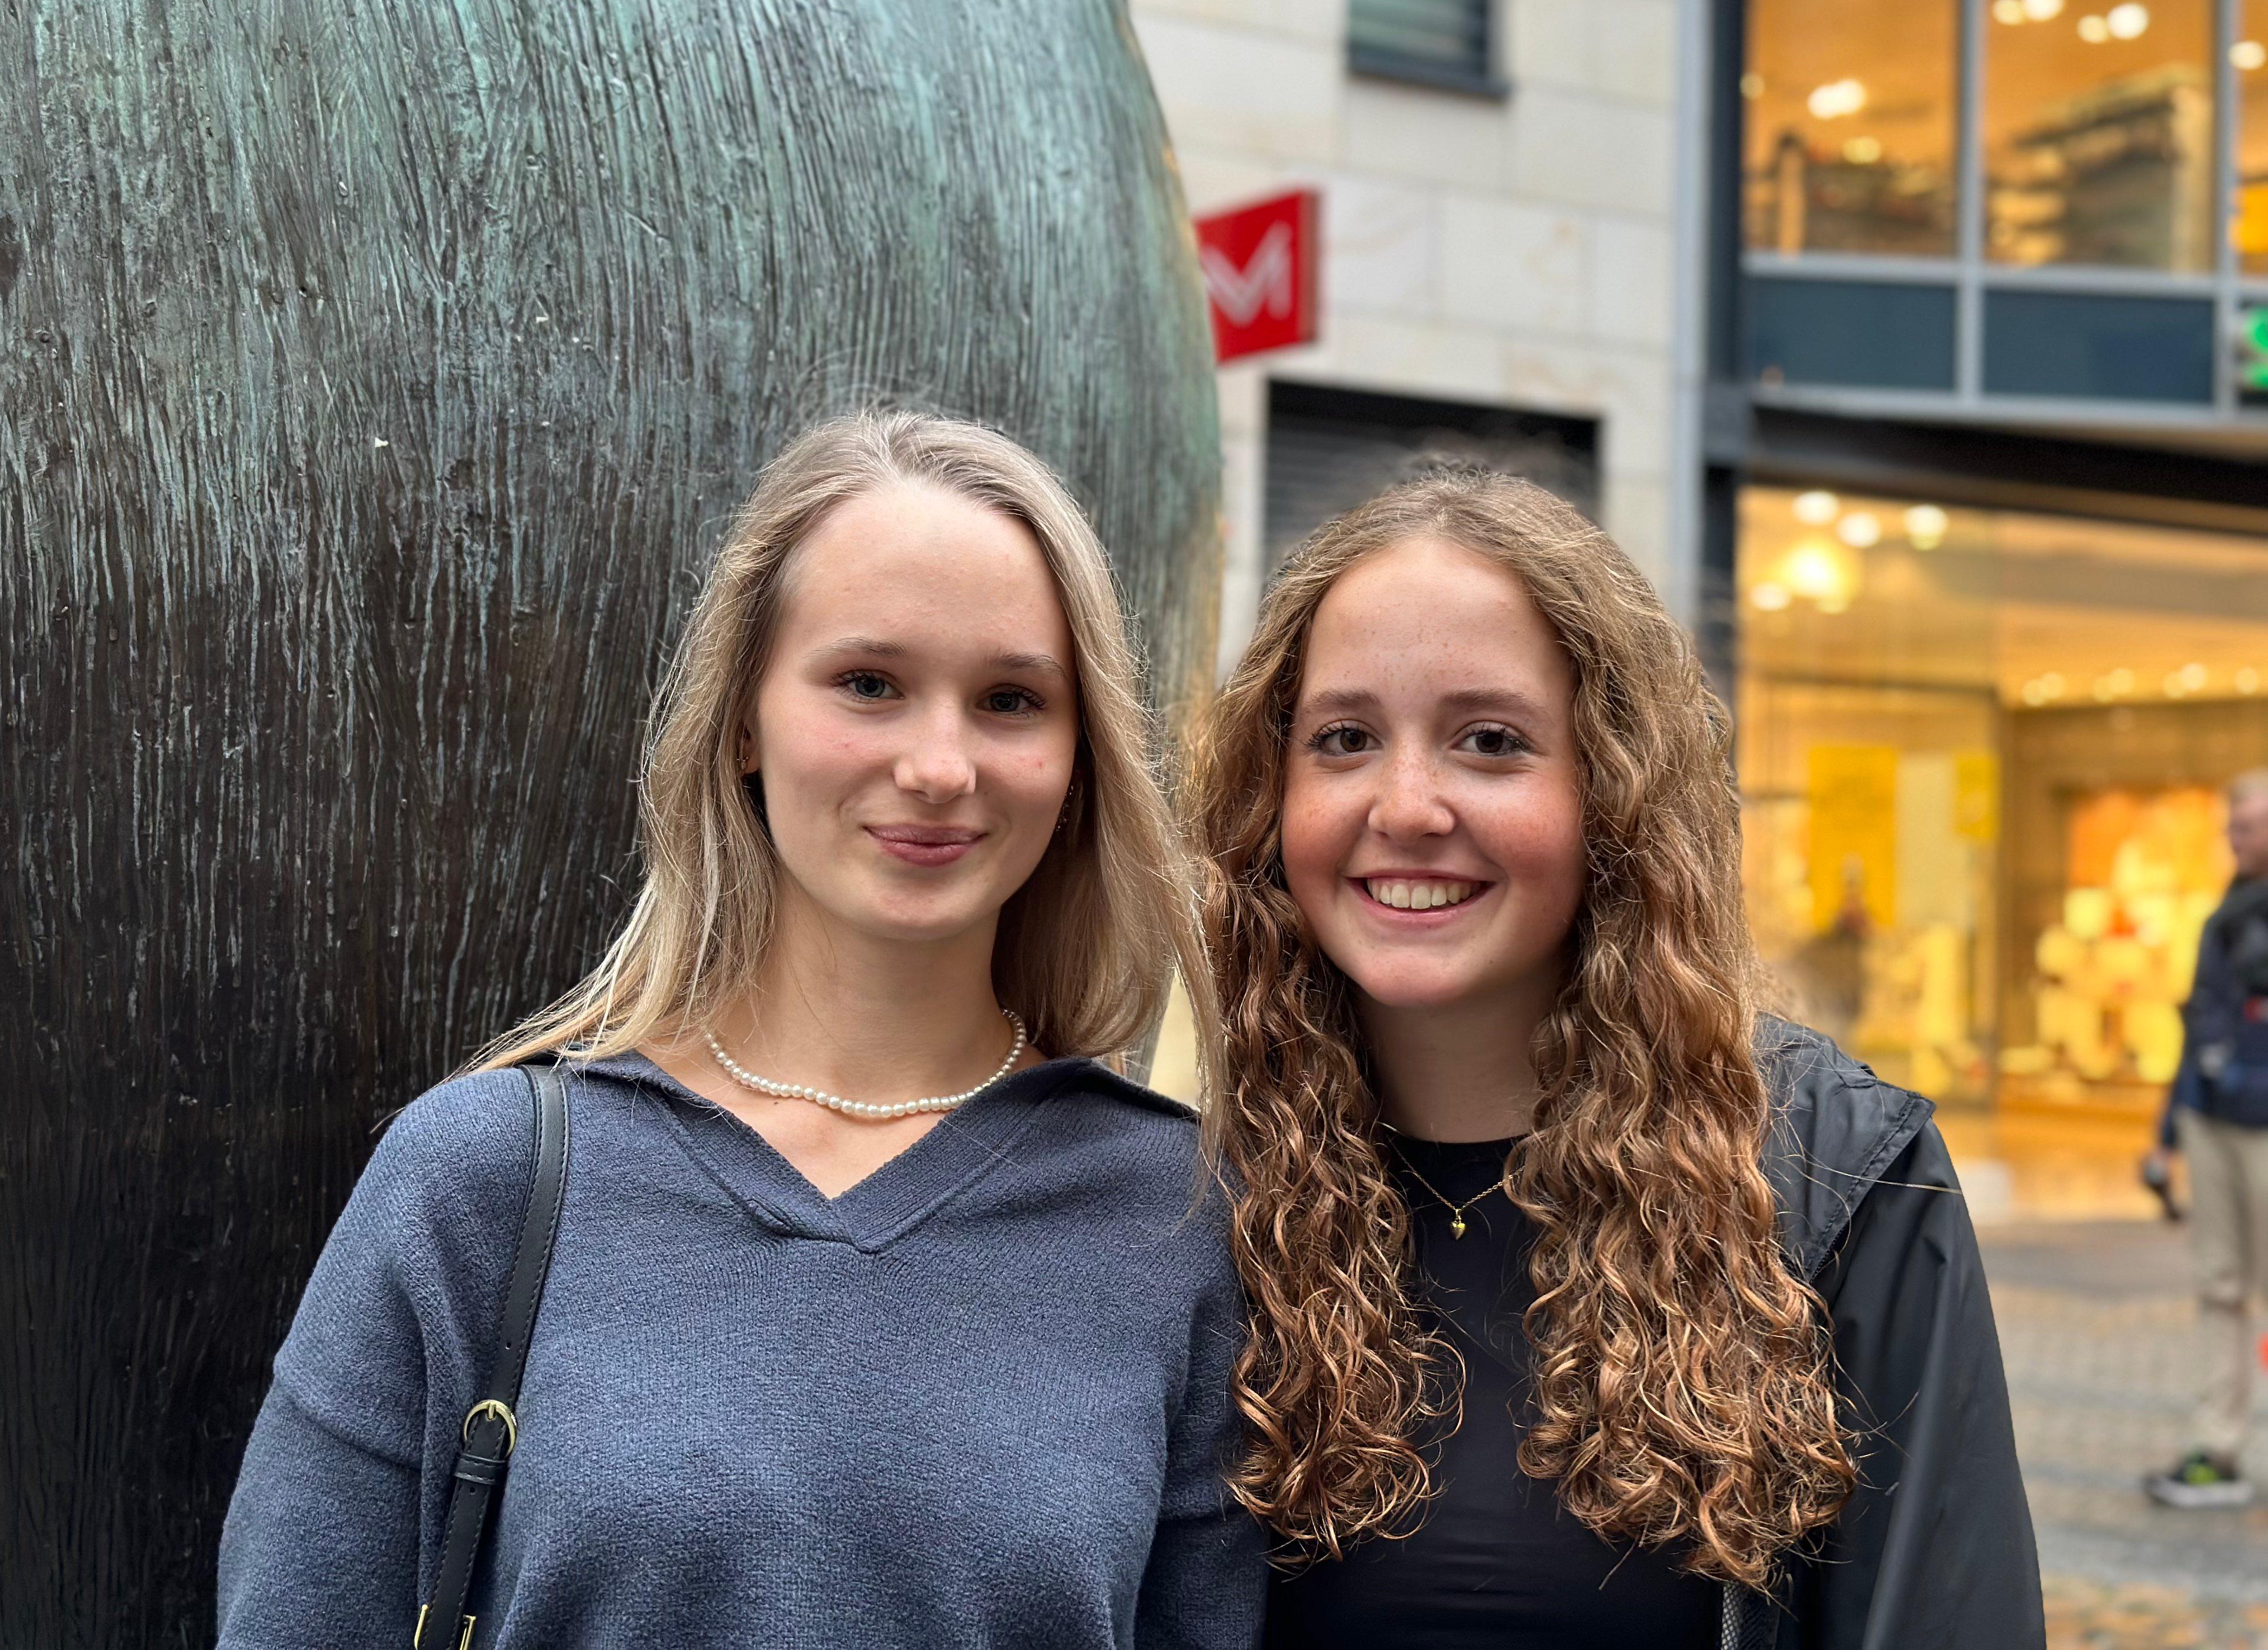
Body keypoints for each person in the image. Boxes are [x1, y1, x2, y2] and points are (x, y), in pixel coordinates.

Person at [215, 410, 1263, 1648]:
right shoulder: (480, 1182)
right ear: (745, 722)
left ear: (1078, 756)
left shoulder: (1177, 1219)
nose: (940, 764)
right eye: (870, 684)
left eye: (1009, 700)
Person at [1189, 470, 2042, 1650]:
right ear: (1271, 791)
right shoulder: (1194, 1186)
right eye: (1345, 739)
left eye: (1491, 742)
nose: (1407, 803)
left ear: (1615, 791)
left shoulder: (1840, 1178)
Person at [2142, 768, 2268, 1508]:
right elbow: (2200, 1027)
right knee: (2220, 1286)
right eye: (2233, 827)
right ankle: (2219, 1448)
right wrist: (2167, 1137)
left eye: (2247, 827)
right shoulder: (2225, 911)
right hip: (2213, 1118)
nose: (2234, 839)